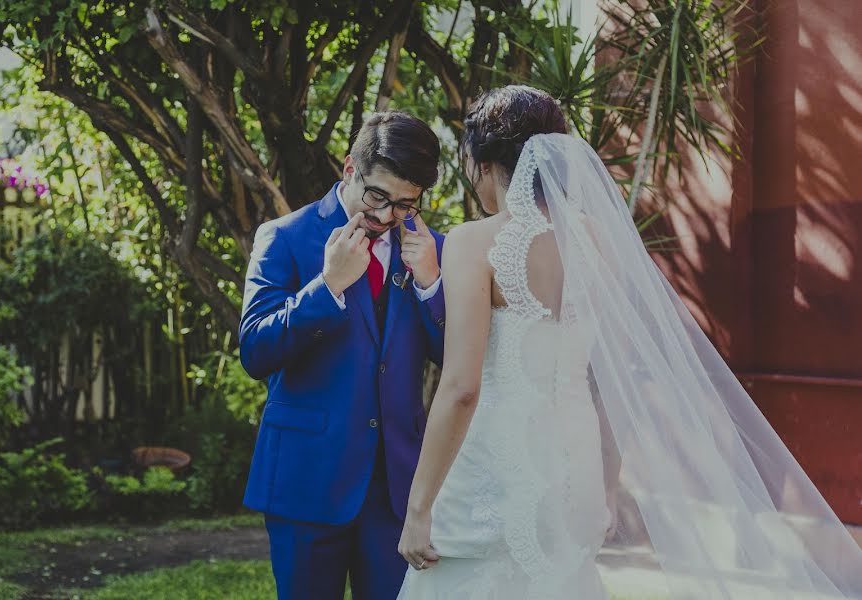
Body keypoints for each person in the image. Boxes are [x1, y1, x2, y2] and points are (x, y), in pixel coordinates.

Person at [396, 85, 862, 599]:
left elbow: (461, 387)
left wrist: (420, 508)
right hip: (575, 471)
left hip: (495, 469)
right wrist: (608, 487)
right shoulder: (599, 242)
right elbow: (610, 381)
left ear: (481, 161)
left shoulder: (473, 241)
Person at [239, 111, 447, 600]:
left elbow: (455, 358)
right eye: (377, 196)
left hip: (396, 489)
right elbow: (255, 350)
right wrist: (327, 285)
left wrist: (431, 286)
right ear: (351, 167)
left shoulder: (429, 247)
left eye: (404, 204)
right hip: (307, 479)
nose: (384, 216)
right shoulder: (285, 237)